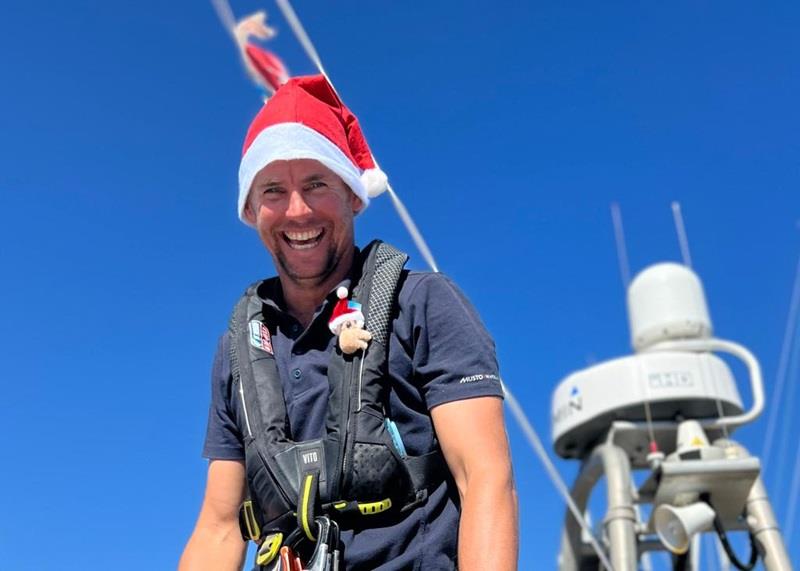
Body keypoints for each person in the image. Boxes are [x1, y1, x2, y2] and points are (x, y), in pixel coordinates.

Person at [179, 75, 517, 571]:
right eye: (273, 189)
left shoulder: (424, 303)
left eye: (317, 183)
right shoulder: (239, 349)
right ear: (251, 210)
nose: (297, 210)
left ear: (354, 196)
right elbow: (218, 528)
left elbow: (486, 477)